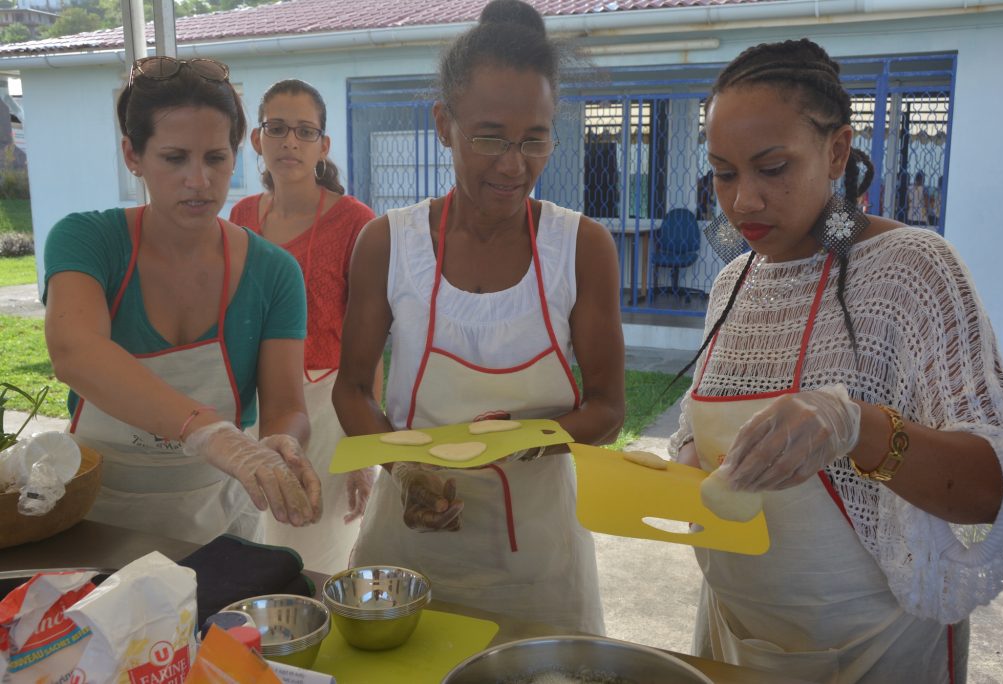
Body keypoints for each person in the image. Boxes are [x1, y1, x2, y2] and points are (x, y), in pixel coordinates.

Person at [668, 39, 1003, 683]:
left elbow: (998, 489)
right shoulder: (733, 283)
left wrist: (859, 426)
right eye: (723, 172)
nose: (742, 201)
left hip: (876, 651)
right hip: (735, 638)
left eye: (771, 168)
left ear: (836, 152)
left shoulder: (912, 269)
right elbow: (702, 449)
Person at [332, 0, 625, 634]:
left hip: (541, 563)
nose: (513, 165)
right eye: (489, 136)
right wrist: (403, 468)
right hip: (410, 551)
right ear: (445, 123)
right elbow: (351, 387)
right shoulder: (390, 244)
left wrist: (528, 439)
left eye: (535, 139)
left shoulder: (582, 248)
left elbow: (608, 408)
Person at [43, 57, 322, 546]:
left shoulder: (274, 271)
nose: (199, 180)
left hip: (218, 527)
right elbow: (74, 351)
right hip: (94, 524)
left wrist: (283, 443)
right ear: (133, 155)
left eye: (216, 158)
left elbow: (285, 406)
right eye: (175, 158)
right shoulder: (87, 241)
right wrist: (208, 432)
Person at [229, 79, 379, 574]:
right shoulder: (241, 216)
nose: (289, 142)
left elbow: (370, 344)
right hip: (257, 403)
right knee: (254, 545)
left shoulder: (357, 223)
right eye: (277, 128)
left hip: (330, 407)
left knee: (317, 557)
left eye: (304, 131)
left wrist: (364, 452)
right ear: (257, 139)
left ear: (323, 145)